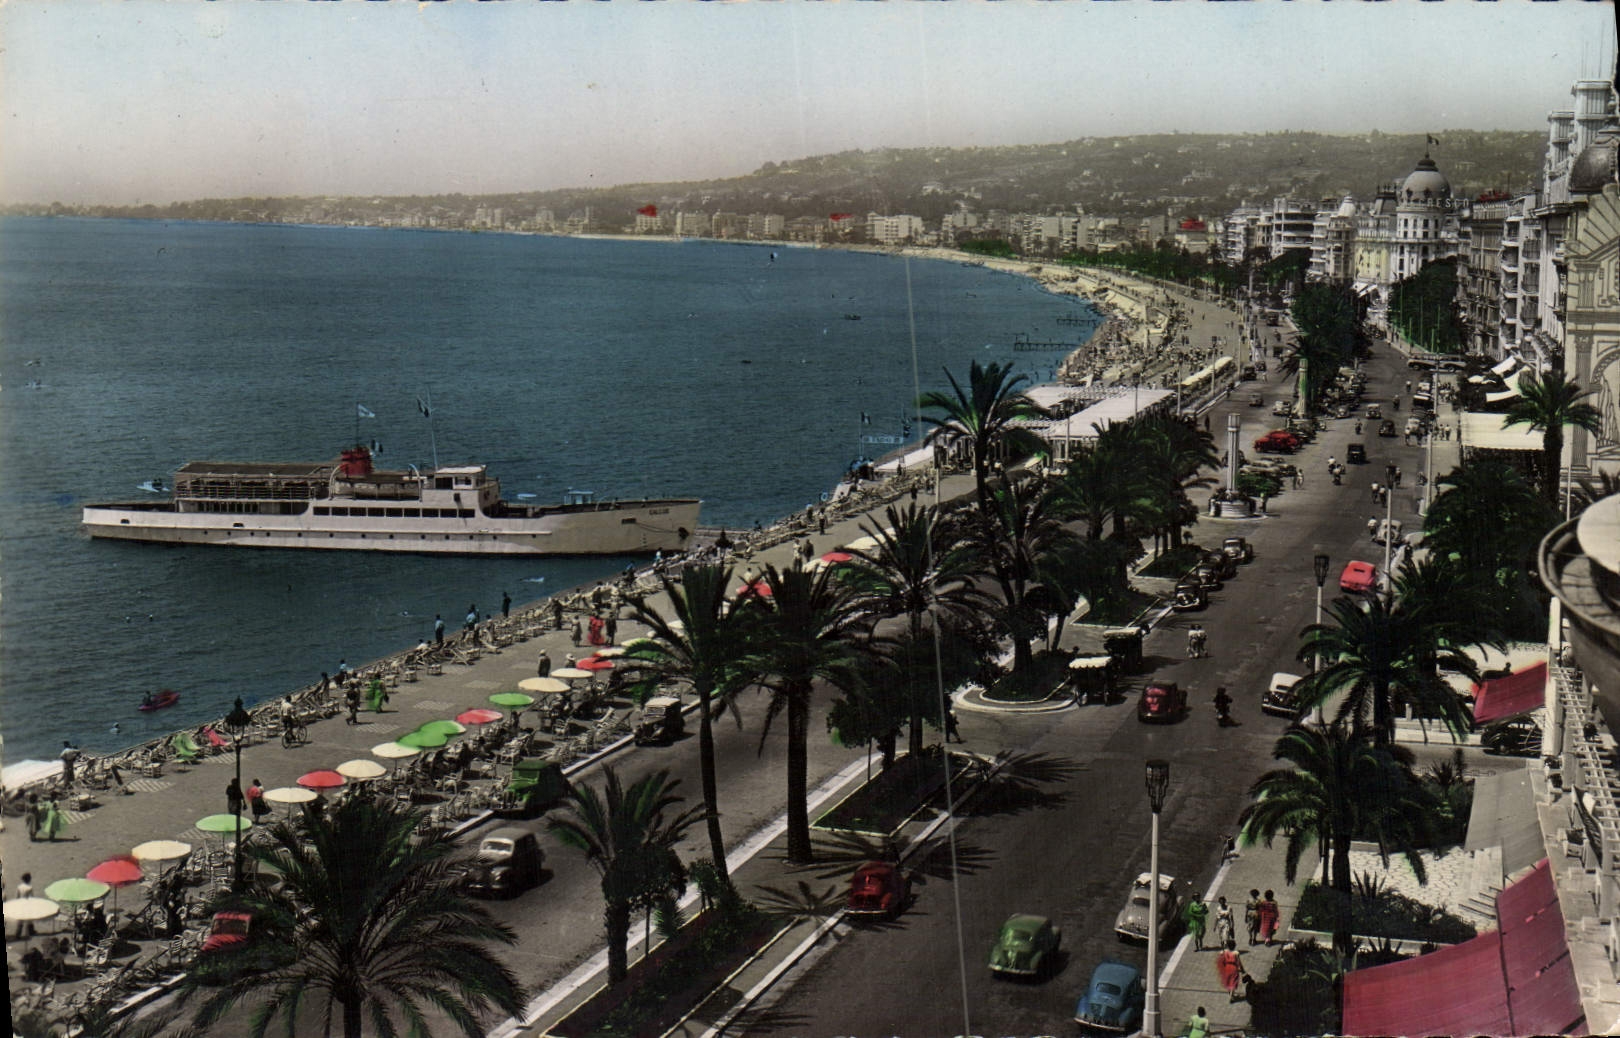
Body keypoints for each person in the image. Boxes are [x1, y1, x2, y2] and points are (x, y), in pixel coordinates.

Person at [16, 872, 35, 937]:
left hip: (21, 904)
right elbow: (32, 897)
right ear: (28, 879)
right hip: (27, 904)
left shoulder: (19, 887)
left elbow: (17, 897)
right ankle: (31, 931)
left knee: (20, 920)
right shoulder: (29, 887)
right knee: (29, 918)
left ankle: (18, 933)